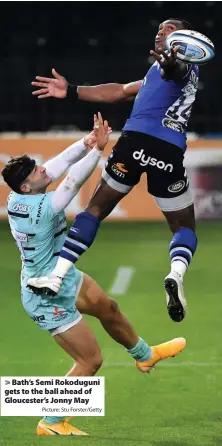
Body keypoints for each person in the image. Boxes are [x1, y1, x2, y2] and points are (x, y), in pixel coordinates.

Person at [2, 113, 186, 436]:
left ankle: (145, 356)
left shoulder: (18, 196)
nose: (43, 169)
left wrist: (86, 142)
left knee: (108, 307)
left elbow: (57, 165)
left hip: (60, 273)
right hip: (44, 295)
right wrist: (98, 153)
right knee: (91, 361)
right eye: (36, 171)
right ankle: (51, 421)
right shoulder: (41, 211)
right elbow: (71, 183)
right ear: (27, 185)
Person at [31, 18, 199, 322]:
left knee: (95, 209)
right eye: (160, 29)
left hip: (133, 143)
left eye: (169, 30)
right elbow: (120, 91)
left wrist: (171, 61)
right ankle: (176, 274)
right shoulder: (159, 72)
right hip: (168, 152)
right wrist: (70, 89)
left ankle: (56, 276)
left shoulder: (177, 65)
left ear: (185, 40)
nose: (161, 33)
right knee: (184, 227)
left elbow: (175, 68)